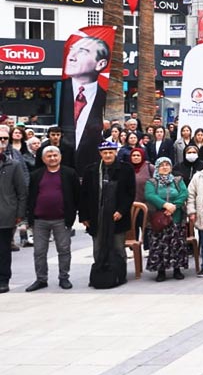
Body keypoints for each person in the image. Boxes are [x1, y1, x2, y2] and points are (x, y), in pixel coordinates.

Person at [80, 141, 133, 289]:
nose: (108, 155)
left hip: (117, 216)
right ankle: (100, 274)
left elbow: (130, 194)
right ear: (100, 154)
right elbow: (83, 194)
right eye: (105, 152)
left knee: (118, 247)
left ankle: (120, 274)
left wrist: (121, 211)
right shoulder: (91, 170)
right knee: (97, 247)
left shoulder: (125, 169)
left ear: (115, 152)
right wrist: (84, 216)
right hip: (97, 216)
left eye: (111, 152)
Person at [23, 145, 75, 292]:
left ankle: (64, 277)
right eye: (49, 156)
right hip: (40, 220)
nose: (52, 158)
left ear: (60, 157)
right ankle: (41, 279)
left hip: (62, 219)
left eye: (55, 155)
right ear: (43, 159)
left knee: (64, 250)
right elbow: (30, 196)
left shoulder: (69, 173)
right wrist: (29, 218)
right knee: (39, 251)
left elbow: (76, 196)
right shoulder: (36, 175)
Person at [61, 35, 109, 171]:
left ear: (100, 64)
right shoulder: (64, 94)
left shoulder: (103, 97)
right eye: (72, 49)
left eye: (82, 51)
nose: (71, 57)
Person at [143, 157, 189, 282]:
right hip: (159, 218)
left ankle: (177, 269)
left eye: (167, 165)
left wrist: (174, 206)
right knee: (159, 244)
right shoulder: (151, 182)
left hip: (176, 216)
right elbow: (150, 195)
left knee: (177, 243)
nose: (164, 167)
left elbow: (184, 193)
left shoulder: (177, 180)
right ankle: (161, 271)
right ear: (157, 168)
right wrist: (165, 205)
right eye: (161, 165)